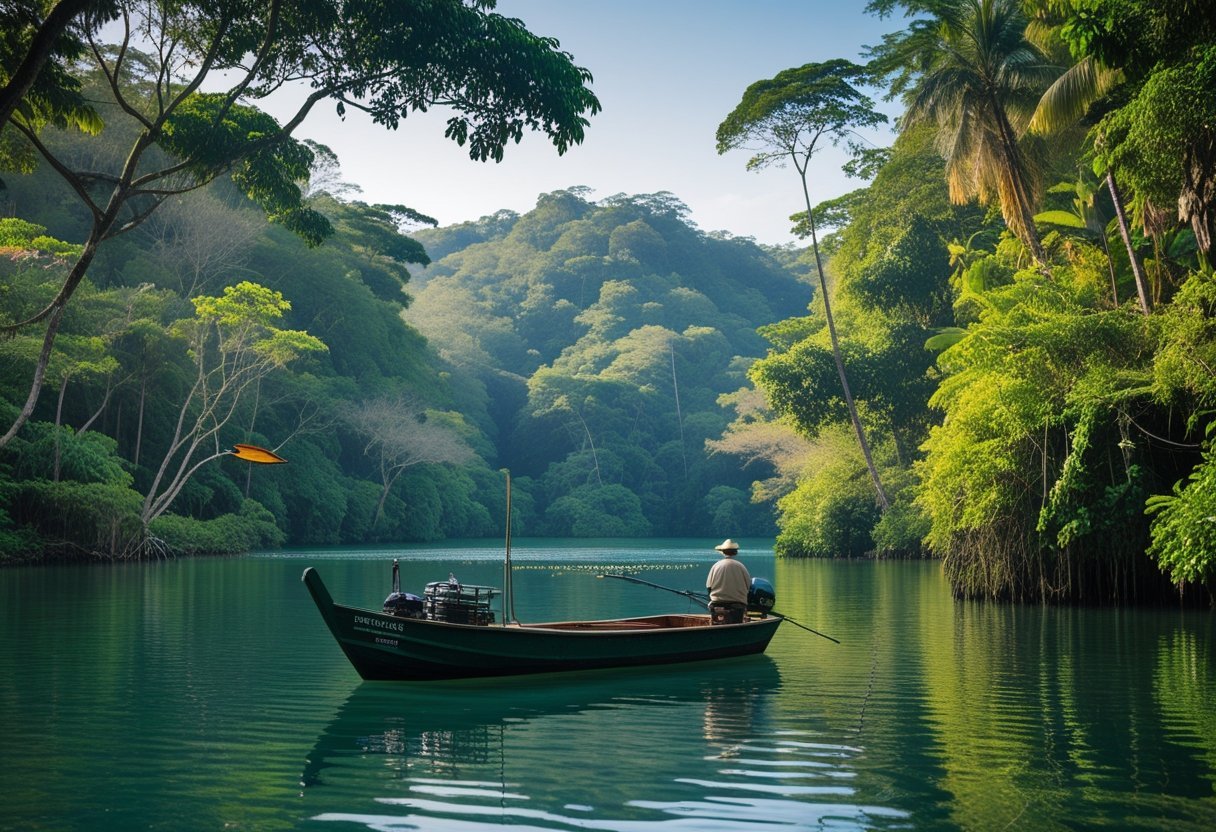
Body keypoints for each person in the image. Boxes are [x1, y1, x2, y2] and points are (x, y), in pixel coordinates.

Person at [706, 538, 751, 625]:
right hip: (737, 605)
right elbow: (748, 586)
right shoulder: (741, 566)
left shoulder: (715, 566)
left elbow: (708, 587)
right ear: (735, 552)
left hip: (717, 605)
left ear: (722, 552)